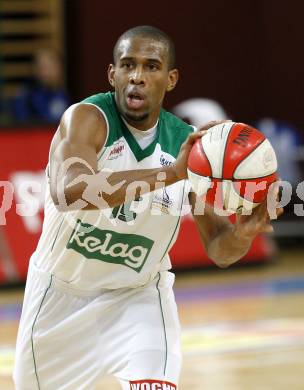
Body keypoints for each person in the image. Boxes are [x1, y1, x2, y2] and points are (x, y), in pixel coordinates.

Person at [13, 26, 282, 390]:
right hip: (61, 296)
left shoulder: (187, 145)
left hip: (138, 297)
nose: (137, 76)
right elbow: (69, 192)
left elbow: (220, 248)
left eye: (151, 67)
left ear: (171, 79)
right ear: (113, 74)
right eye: (128, 65)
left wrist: (241, 234)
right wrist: (171, 173)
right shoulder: (88, 119)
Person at [11, 49, 70, 124]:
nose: (49, 72)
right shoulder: (25, 97)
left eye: (52, 66)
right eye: (44, 67)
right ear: (35, 70)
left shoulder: (62, 94)